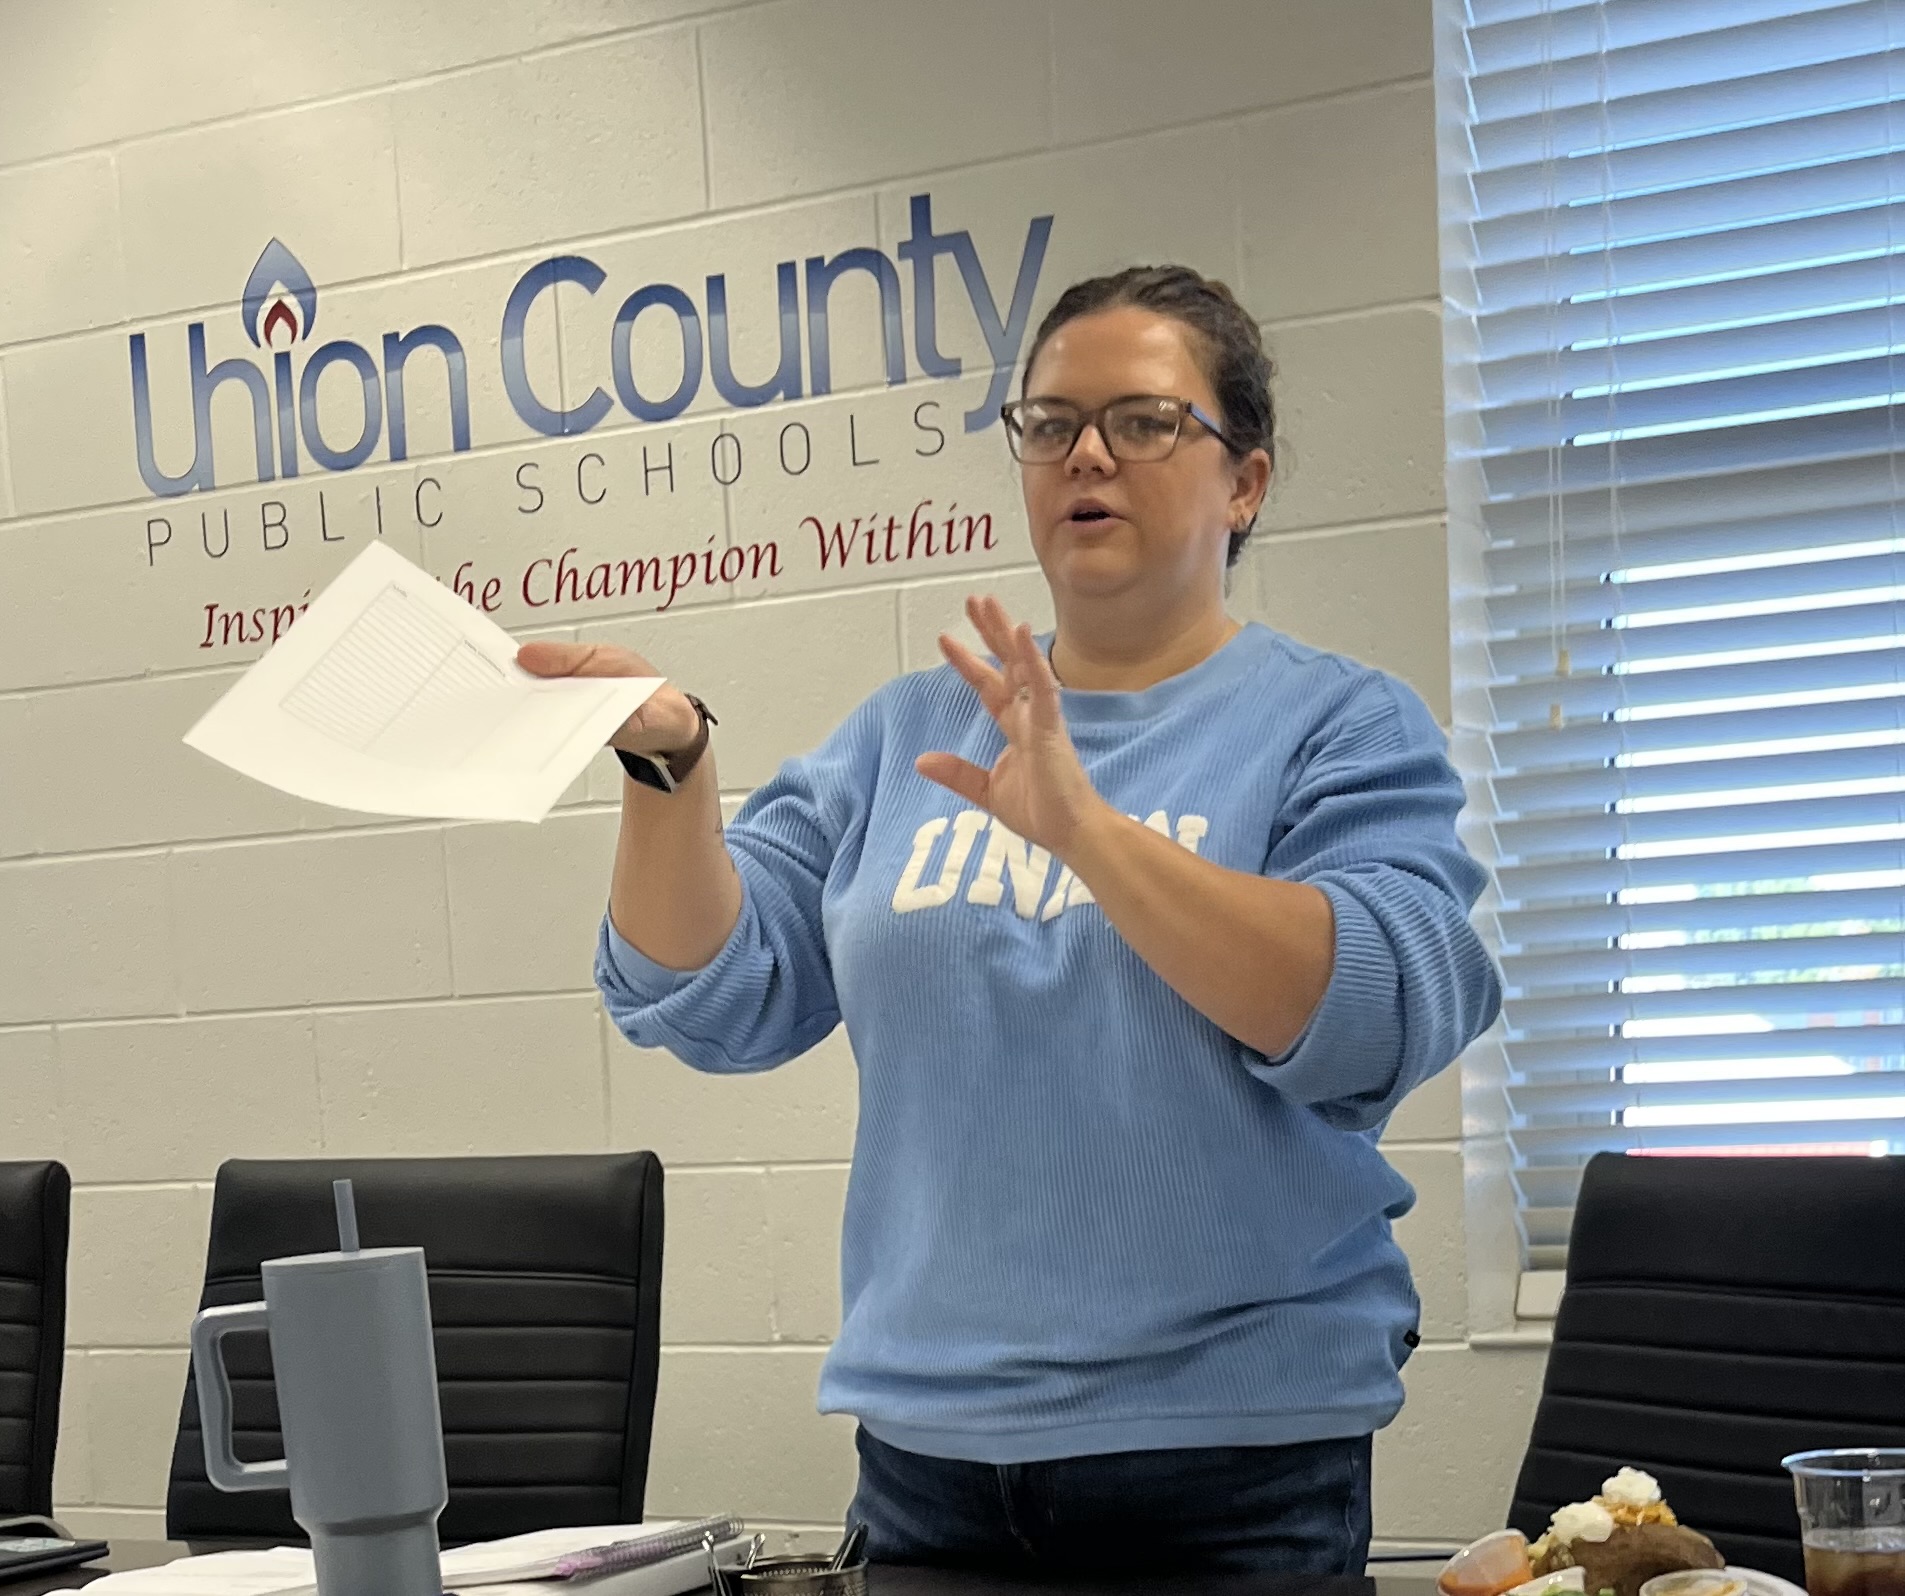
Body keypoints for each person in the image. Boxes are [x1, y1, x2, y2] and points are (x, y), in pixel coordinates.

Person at [518, 265, 1502, 1577]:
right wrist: (669, 767)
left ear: (1245, 482)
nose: (1086, 454)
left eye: (1144, 421)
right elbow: (707, 990)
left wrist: (1089, 833)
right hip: (931, 1469)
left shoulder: (1338, 723)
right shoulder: (909, 732)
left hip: (1229, 1472)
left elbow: (1370, 1010)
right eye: (1050, 423)